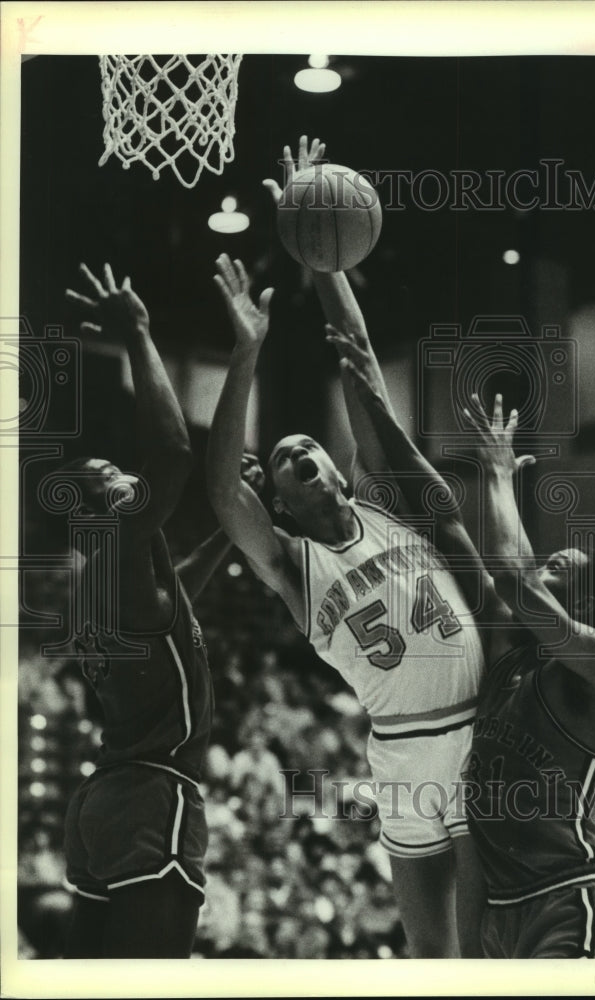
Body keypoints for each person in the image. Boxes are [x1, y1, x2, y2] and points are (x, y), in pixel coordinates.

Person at [205, 137, 488, 958]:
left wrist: (323, 265)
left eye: (309, 445)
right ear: (284, 500)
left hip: (477, 736)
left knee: (482, 945)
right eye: (284, 457)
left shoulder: (386, 504)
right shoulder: (294, 564)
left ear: (336, 467)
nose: (299, 451)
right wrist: (247, 350)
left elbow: (359, 363)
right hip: (398, 757)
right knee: (430, 955)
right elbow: (224, 494)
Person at [335, 352, 595, 958]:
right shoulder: (509, 651)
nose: (544, 562)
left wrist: (499, 475)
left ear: (586, 603)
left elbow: (517, 578)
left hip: (566, 899)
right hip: (501, 907)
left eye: (562, 567)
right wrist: (376, 403)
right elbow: (456, 529)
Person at [59, 264, 238, 958]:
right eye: (107, 478)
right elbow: (171, 452)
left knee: (84, 971)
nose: (122, 475)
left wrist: (228, 529)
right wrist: (137, 328)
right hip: (151, 793)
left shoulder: (104, 582)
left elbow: (176, 592)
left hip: (104, 799)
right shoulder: (119, 543)